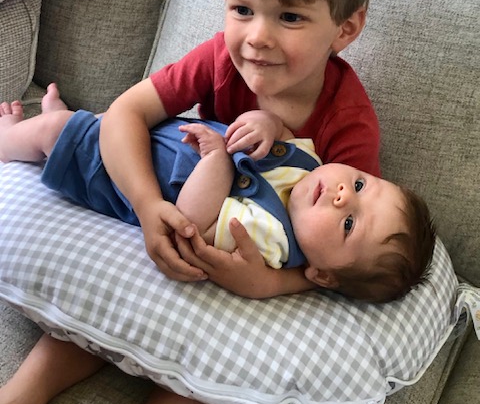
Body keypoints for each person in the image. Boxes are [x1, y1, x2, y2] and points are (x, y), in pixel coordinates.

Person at [0, 0, 389, 404]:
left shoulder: (349, 126)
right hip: (165, 198)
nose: (256, 37)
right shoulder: (219, 60)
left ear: (345, 29)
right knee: (108, 292)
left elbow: (348, 249)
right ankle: (19, 398)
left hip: (232, 262)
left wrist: (267, 284)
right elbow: (127, 114)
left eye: (289, 17)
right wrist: (148, 205)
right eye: (242, 9)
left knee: (204, 381)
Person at [0, 97, 435, 301]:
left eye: (349, 224)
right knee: (97, 122)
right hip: (152, 136)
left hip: (113, 177)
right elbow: (282, 134)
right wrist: (267, 123)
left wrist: (217, 160)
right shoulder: (311, 168)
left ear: (321, 274)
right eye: (359, 185)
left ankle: (11, 139)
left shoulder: (270, 238)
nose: (342, 196)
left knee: (56, 134)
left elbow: (193, 220)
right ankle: (51, 121)